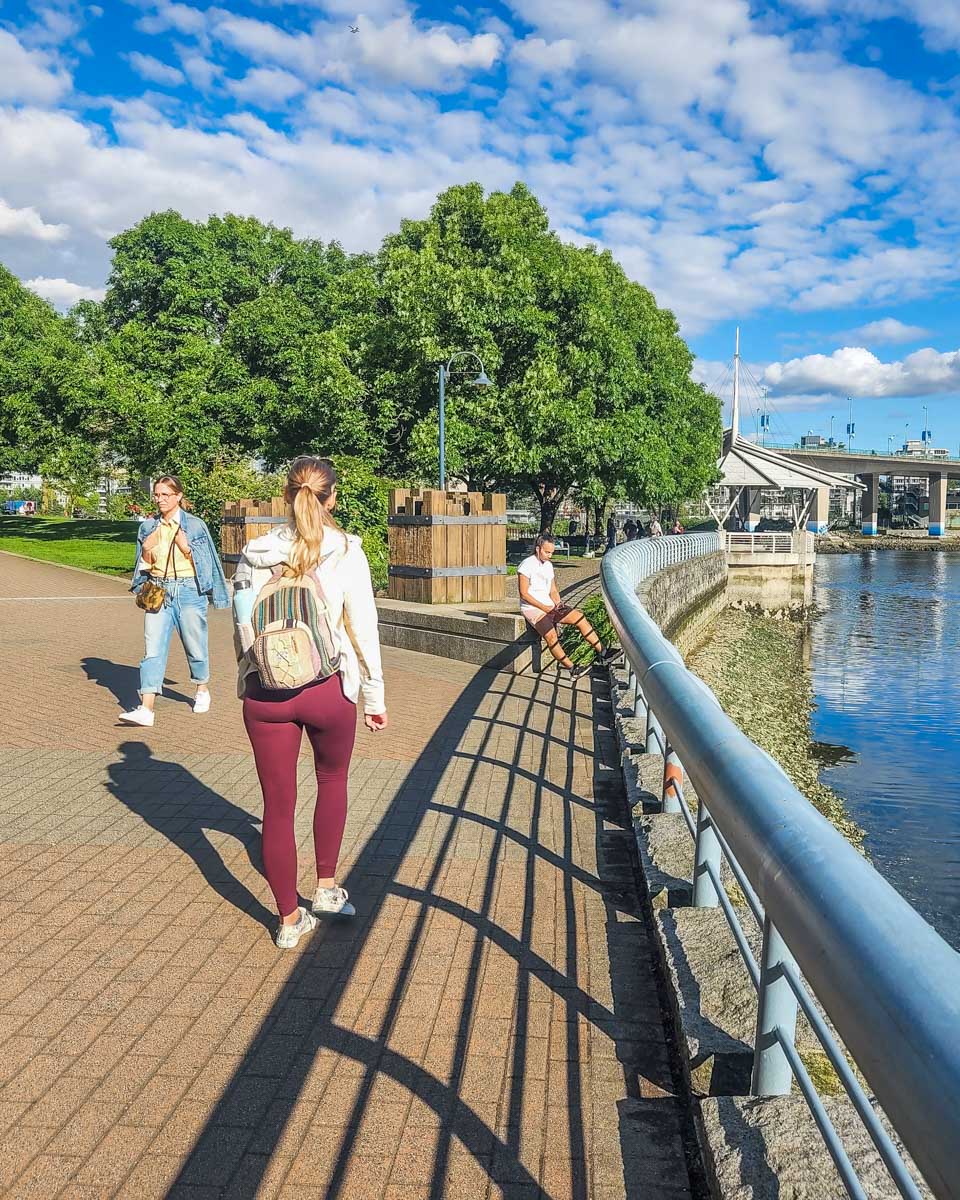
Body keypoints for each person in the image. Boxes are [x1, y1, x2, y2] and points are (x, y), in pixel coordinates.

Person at [232, 456, 387, 949]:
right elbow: (362, 630)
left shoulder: (255, 552)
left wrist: (253, 674)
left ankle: (288, 919)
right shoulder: (346, 551)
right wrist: (374, 694)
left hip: (266, 693)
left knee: (277, 806)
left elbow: (241, 625)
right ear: (332, 498)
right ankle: (325, 888)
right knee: (331, 780)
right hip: (327, 687)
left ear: (285, 495)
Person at [121, 476, 229, 727]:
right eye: (157, 495)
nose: (160, 499)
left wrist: (187, 548)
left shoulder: (195, 526)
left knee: (195, 644)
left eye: (165, 495)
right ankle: (146, 708)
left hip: (189, 589)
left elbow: (207, 563)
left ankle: (202, 689)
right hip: (159, 590)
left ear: (178, 496)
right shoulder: (148, 527)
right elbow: (143, 566)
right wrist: (147, 549)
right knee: (152, 649)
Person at [518, 535, 620, 677]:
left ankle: (603, 652)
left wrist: (558, 603)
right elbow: (524, 594)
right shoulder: (526, 565)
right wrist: (544, 607)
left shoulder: (548, 565)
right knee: (551, 636)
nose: (550, 555)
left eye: (552, 552)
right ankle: (572, 668)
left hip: (550, 605)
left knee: (579, 617)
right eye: (547, 552)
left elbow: (552, 589)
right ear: (538, 549)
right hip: (532, 608)